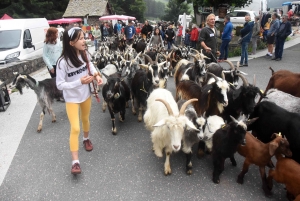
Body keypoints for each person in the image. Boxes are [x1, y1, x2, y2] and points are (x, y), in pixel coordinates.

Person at [56, 27, 103, 175]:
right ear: (71, 43)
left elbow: (90, 65)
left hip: (86, 95)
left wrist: (96, 75)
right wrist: (79, 82)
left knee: (85, 119)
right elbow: (59, 84)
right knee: (75, 128)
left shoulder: (84, 54)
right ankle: (75, 162)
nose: (85, 40)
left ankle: (86, 139)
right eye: (81, 38)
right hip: (72, 99)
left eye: (84, 37)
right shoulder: (62, 62)